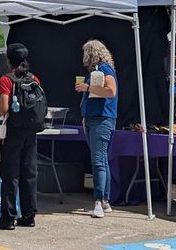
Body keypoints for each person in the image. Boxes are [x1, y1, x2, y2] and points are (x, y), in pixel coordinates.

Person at [0, 43, 41, 230]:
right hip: (31, 131)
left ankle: (8, 217)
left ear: (9, 60)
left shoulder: (7, 79)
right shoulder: (33, 78)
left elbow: (4, 108)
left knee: (10, 174)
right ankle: (29, 216)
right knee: (29, 173)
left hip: (13, 131)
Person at [75, 39, 118, 218]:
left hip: (101, 119)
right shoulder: (97, 70)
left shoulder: (105, 69)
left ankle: (99, 202)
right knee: (101, 160)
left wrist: (87, 87)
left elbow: (111, 91)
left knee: (98, 161)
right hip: (94, 119)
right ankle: (104, 201)